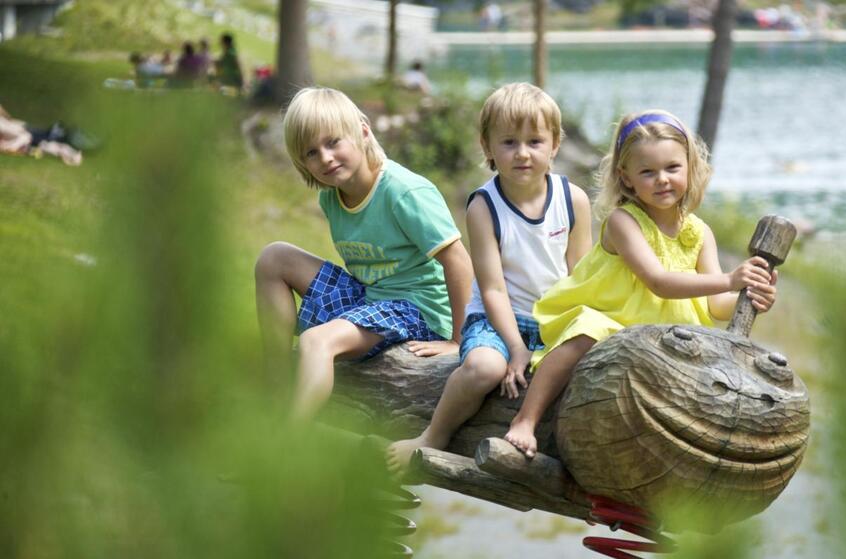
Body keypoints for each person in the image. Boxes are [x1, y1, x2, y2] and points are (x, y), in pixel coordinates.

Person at [502, 110, 778, 458]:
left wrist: (747, 293)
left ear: (690, 167)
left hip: (669, 331)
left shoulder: (698, 232)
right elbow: (658, 282)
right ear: (627, 178)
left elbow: (714, 305)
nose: (662, 179)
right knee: (586, 333)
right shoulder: (624, 222)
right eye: (648, 172)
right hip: (615, 317)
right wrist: (728, 278)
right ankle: (526, 420)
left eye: (672, 168)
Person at [386, 83, 592, 471]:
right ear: (487, 147)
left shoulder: (573, 199)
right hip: (498, 320)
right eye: (509, 142)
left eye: (535, 141)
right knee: (484, 368)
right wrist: (516, 347)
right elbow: (494, 288)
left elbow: (580, 278)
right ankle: (434, 434)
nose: (523, 153)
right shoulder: (484, 206)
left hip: (554, 319)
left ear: (555, 144)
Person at [254, 87, 473, 422]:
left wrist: (459, 340)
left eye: (333, 142)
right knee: (274, 257)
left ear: (363, 131)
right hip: (369, 300)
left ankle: (286, 442)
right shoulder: (332, 197)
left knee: (317, 340)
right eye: (312, 152)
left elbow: (457, 260)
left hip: (418, 313)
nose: (325, 158)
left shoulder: (403, 192)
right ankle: (275, 381)